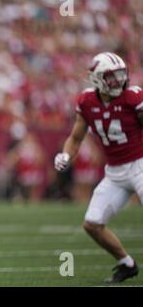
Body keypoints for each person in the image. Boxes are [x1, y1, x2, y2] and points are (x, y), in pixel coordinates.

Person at [54, 52, 143, 283]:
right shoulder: (86, 102)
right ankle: (127, 264)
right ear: (97, 79)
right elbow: (75, 138)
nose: (118, 81)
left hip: (140, 164)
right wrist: (66, 155)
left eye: (121, 76)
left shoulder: (133, 98)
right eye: (112, 77)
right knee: (92, 224)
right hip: (114, 173)